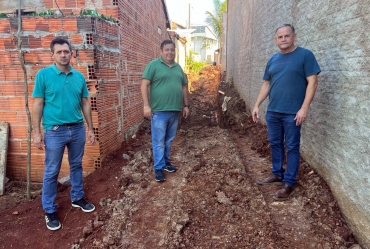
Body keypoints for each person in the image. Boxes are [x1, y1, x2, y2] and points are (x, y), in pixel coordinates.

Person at [32, 38, 96, 231]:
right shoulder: (43, 76)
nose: (63, 55)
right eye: (59, 52)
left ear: (71, 53)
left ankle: (77, 197)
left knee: (76, 165)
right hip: (54, 131)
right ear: (52, 55)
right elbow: (37, 104)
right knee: (52, 170)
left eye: (66, 51)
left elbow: (85, 102)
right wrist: (37, 132)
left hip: (77, 129)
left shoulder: (79, 77)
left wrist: (90, 128)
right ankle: (49, 210)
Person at [252, 24, 321, 201]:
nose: (283, 39)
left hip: (293, 113)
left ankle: (289, 182)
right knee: (275, 144)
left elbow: (312, 83)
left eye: (286, 36)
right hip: (273, 111)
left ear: (294, 37)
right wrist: (257, 105)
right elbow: (266, 84)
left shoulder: (305, 55)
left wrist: (304, 107)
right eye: (280, 37)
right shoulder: (273, 59)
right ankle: (277, 174)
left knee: (292, 147)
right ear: (276, 40)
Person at [141, 40, 189, 182]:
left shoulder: (178, 68)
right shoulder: (153, 65)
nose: (170, 52)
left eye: (172, 50)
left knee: (168, 141)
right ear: (161, 51)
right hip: (159, 112)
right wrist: (146, 105)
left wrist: (186, 105)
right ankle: (158, 168)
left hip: (175, 111)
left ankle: (166, 163)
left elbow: (184, 87)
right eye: (167, 50)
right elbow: (144, 85)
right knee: (159, 141)